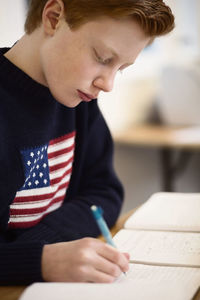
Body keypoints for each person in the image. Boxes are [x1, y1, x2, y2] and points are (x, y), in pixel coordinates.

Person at [0, 0, 174, 284]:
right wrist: (38, 259)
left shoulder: (76, 96)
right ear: (54, 18)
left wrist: (42, 245)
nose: (108, 84)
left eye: (121, 68)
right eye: (103, 58)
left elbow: (105, 193)